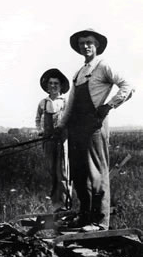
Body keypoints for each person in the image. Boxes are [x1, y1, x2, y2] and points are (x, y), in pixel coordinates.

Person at [55, 29, 134, 231]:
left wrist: (109, 106)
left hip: (95, 126)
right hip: (76, 128)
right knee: (79, 173)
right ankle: (84, 216)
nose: (86, 46)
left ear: (97, 45)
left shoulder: (104, 66)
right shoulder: (79, 73)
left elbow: (127, 87)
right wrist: (62, 125)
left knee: (96, 173)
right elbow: (71, 103)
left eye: (89, 42)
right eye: (82, 43)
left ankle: (100, 222)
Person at [35, 68, 71, 212]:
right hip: (48, 141)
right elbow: (38, 119)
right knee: (51, 171)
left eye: (56, 83)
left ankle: (65, 205)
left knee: (62, 171)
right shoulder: (43, 103)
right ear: (47, 86)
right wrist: (40, 131)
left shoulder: (65, 102)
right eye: (50, 83)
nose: (53, 86)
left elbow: (70, 119)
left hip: (62, 141)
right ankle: (55, 205)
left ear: (60, 86)